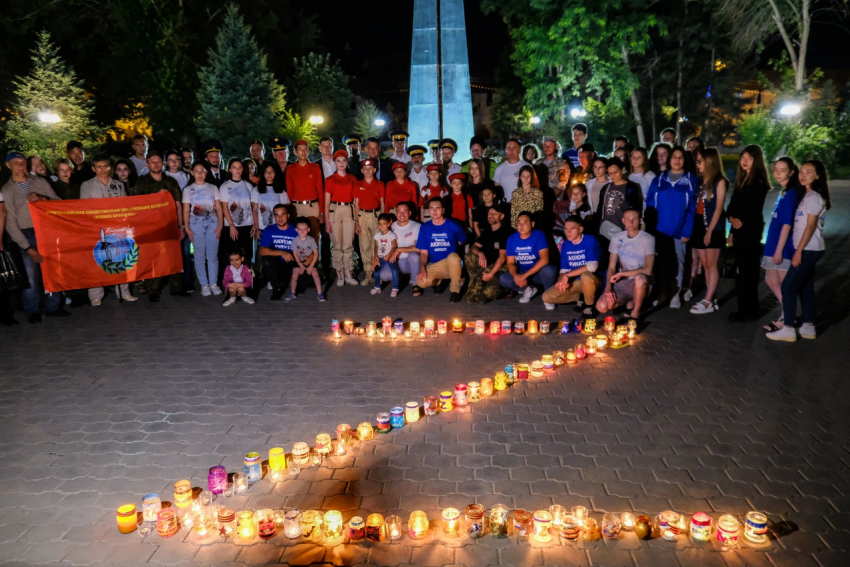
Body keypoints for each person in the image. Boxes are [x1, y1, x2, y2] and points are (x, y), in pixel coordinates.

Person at [1, 152, 70, 323]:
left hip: (46, 231)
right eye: (16, 163)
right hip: (25, 233)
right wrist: (27, 247)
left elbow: (58, 203)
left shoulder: (39, 182)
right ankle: (33, 310)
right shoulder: (7, 190)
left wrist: (42, 198)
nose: (21, 166)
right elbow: (10, 223)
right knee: (30, 274)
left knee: (52, 269)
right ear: (9, 166)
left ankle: (53, 306)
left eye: (23, 162)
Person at [767, 160, 830, 341]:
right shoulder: (806, 195)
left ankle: (788, 327)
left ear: (817, 176)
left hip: (809, 249)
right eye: (801, 172)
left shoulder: (813, 197)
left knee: (788, 286)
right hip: (809, 249)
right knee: (805, 287)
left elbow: (810, 228)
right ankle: (809, 326)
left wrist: (798, 251)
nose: (803, 175)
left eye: (808, 172)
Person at [79, 155, 138, 306]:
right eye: (99, 167)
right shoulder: (87, 185)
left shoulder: (118, 185)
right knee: (97, 261)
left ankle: (124, 292)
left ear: (110, 168)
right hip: (96, 228)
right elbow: (85, 209)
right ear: (93, 168)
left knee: (121, 258)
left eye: (105, 166)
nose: (103, 170)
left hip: (116, 228)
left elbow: (124, 206)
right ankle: (95, 295)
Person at [644, 146, 697, 308]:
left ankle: (676, 293)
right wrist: (650, 229)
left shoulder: (691, 180)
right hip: (660, 230)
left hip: (679, 231)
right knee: (659, 264)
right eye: (674, 157)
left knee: (678, 264)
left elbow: (693, 209)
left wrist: (687, 230)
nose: (677, 160)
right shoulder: (659, 180)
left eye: (681, 157)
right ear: (669, 159)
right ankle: (661, 292)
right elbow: (650, 205)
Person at [133, 151, 188, 300]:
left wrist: (181, 226)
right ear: (147, 164)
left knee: (174, 256)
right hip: (150, 227)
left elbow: (178, 204)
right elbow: (136, 205)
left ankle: (177, 287)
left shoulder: (170, 182)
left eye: (159, 161)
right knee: (153, 258)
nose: (156, 164)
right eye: (153, 162)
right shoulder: (142, 182)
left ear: (163, 163)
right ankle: (153, 290)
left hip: (170, 226)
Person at [726, 144, 770, 322]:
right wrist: (731, 224)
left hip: (750, 232)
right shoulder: (741, 179)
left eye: (749, 158)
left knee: (748, 273)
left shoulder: (758, 182)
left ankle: (749, 311)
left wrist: (738, 221)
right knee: (741, 272)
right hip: (738, 231)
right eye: (743, 157)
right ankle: (743, 309)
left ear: (756, 161)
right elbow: (731, 206)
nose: (744, 161)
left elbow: (750, 208)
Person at [761, 157, 802, 330]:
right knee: (771, 280)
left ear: (792, 172)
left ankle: (788, 318)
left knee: (785, 284)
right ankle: (789, 314)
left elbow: (787, 223)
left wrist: (779, 250)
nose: (777, 173)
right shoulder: (784, 192)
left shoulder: (792, 193)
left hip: (782, 246)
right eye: (776, 169)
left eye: (782, 170)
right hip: (773, 242)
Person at [596, 208, 655, 320]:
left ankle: (635, 313)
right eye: (628, 219)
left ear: (640, 220)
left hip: (640, 282)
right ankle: (628, 302)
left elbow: (648, 270)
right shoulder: (617, 238)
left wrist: (623, 274)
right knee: (602, 306)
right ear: (623, 220)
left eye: (634, 219)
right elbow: (611, 267)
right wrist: (608, 288)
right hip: (623, 284)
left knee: (640, 278)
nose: (631, 222)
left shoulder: (648, 239)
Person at [689, 148, 728, 314]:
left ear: (710, 161)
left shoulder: (720, 181)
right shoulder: (700, 181)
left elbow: (719, 209)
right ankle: (710, 297)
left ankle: (708, 300)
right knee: (705, 264)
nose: (698, 165)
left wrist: (709, 231)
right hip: (698, 224)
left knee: (711, 264)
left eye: (700, 161)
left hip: (713, 227)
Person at [542, 216, 602, 314]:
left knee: (585, 275)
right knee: (547, 297)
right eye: (566, 228)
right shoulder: (566, 245)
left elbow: (592, 266)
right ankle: (580, 297)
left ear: (580, 229)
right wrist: (560, 282)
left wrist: (567, 275)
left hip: (594, 280)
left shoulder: (590, 240)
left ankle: (589, 306)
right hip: (577, 282)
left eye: (572, 228)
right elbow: (564, 270)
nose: (568, 232)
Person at [500, 211, 557, 307]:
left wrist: (524, 276)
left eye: (525, 222)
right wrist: (517, 277)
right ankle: (528, 289)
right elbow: (510, 263)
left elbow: (544, 259)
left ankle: (549, 297)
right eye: (519, 222)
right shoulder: (512, 239)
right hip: (523, 272)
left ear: (532, 224)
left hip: (538, 273)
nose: (521, 225)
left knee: (549, 270)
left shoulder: (539, 235)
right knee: (504, 279)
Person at [415, 197, 467, 301]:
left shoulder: (453, 225)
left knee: (453, 257)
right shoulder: (425, 227)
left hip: (451, 263)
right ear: (428, 210)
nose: (434, 211)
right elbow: (424, 253)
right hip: (435, 264)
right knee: (421, 282)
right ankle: (440, 281)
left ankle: (455, 290)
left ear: (443, 210)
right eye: (431, 208)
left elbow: (463, 240)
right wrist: (422, 268)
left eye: (437, 208)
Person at [183, 161, 223, 297]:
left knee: (212, 256)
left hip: (212, 222)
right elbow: (186, 209)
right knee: (199, 256)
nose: (200, 174)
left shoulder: (213, 188)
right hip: (196, 224)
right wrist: (187, 228)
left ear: (206, 172)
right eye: (197, 171)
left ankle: (213, 283)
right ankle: (204, 284)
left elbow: (218, 207)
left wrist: (220, 225)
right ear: (192, 173)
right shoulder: (188, 190)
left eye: (202, 171)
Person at [465, 204, 513, 304]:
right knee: (469, 256)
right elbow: (474, 247)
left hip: (501, 267)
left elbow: (502, 258)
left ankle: (503, 290)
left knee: (486, 295)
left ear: (502, 216)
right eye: (489, 213)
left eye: (494, 214)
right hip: (487, 264)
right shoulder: (488, 230)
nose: (491, 215)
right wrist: (481, 253)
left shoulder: (506, 232)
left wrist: (490, 275)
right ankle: (475, 280)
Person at [325, 149, 359, 286]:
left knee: (348, 243)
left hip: (349, 209)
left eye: (344, 160)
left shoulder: (353, 179)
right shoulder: (330, 180)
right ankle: (339, 271)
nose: (341, 163)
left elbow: (356, 201)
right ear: (335, 163)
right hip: (335, 209)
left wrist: (356, 220)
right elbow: (327, 202)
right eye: (338, 161)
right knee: (337, 242)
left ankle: (349, 271)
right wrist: (327, 221)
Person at [218, 158, 255, 276]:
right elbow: (224, 208)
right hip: (232, 226)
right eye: (234, 167)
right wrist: (231, 225)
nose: (237, 170)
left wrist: (255, 223)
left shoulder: (248, 185)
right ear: (230, 169)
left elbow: (253, 206)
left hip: (247, 224)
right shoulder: (225, 186)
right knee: (232, 254)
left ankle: (247, 278)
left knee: (247, 253)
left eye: (239, 167)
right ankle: (231, 279)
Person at [595, 157, 643, 244]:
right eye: (610, 173)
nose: (613, 176)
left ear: (623, 169)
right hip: (605, 230)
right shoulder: (606, 188)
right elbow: (600, 209)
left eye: (615, 172)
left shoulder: (631, 187)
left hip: (623, 230)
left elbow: (636, 208)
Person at [354, 158, 385, 285]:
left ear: (375, 170)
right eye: (365, 169)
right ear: (362, 170)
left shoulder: (380, 184)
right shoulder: (357, 184)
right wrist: (356, 222)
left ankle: (378, 271)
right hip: (363, 216)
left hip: (376, 214)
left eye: (370, 168)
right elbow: (356, 205)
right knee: (365, 244)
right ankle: (368, 273)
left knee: (377, 244)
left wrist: (383, 219)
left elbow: (382, 203)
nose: (367, 171)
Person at [259, 204, 299, 301]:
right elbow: (262, 250)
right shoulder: (269, 230)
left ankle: (285, 282)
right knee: (266, 260)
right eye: (277, 215)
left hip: (292, 263)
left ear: (288, 215)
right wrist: (282, 253)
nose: (280, 218)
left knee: (306, 283)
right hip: (276, 265)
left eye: (283, 214)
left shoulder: (296, 230)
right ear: (274, 217)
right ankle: (276, 287)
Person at [379, 202, 421, 289]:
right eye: (399, 211)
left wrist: (399, 250)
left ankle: (415, 283)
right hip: (396, 261)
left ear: (409, 213)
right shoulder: (390, 227)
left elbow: (419, 248)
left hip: (412, 261)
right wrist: (377, 258)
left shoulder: (417, 226)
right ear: (395, 213)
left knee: (414, 256)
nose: (402, 214)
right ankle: (401, 276)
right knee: (384, 275)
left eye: (405, 211)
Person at [287, 217, 326, 301]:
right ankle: (292, 292)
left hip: (309, 261)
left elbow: (316, 253)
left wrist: (311, 265)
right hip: (299, 261)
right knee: (294, 275)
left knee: (315, 274)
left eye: (304, 229)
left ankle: (320, 293)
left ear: (308, 230)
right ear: (296, 230)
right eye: (300, 229)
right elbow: (295, 254)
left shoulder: (311, 240)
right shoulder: (295, 240)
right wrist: (300, 265)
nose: (302, 231)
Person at [252, 162, 290, 235]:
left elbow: (286, 209)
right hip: (262, 228)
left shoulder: (281, 190)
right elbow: (255, 211)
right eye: (266, 171)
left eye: (272, 171)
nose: (269, 174)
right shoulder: (256, 190)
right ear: (263, 173)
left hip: (278, 228)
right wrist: (257, 228)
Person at [371, 213, 399, 297]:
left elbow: (395, 246)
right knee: (376, 272)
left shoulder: (391, 235)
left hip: (389, 257)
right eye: (380, 224)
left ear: (389, 223)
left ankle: (395, 288)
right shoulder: (377, 235)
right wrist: (375, 256)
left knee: (394, 271)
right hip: (380, 257)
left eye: (384, 224)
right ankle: (377, 287)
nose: (382, 226)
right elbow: (376, 246)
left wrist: (389, 254)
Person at [536, 135, 571, 200]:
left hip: (554, 202)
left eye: (550, 145)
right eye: (545, 145)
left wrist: (548, 199)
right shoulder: (538, 163)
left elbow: (561, 186)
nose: (547, 147)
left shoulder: (561, 164)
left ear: (555, 146)